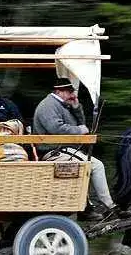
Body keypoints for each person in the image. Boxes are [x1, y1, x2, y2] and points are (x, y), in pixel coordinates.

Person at [32, 79, 124, 221]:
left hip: (65, 150)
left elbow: (81, 123)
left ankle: (95, 207)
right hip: (52, 152)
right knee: (92, 165)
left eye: (72, 91)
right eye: (69, 91)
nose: (72, 94)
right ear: (58, 91)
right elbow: (56, 129)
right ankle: (103, 207)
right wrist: (79, 130)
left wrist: (76, 107)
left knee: (93, 166)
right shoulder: (48, 105)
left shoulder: (64, 104)